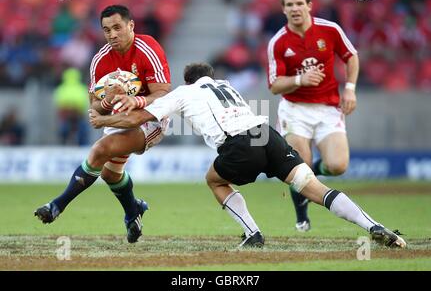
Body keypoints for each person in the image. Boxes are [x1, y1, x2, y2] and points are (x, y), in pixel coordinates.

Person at [88, 62, 406, 249]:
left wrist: (104, 120)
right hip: (266, 134)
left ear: (189, 81)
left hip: (238, 143)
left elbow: (137, 120)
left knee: (213, 179)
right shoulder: (226, 85)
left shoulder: (183, 93)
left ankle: (253, 233)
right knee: (315, 189)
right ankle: (373, 225)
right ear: (210, 75)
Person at [34, 5, 171, 243]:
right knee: (109, 174)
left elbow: (163, 94)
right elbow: (94, 106)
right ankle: (133, 212)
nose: (112, 34)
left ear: (131, 25)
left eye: (117, 27)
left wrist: (133, 99)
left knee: (100, 149)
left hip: (151, 117)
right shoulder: (100, 60)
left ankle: (57, 205)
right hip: (119, 117)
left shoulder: (147, 48)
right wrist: (106, 100)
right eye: (107, 30)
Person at [267, 0, 360, 232]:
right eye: (289, 5)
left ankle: (311, 175)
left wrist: (349, 88)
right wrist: (300, 80)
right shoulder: (278, 42)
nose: (295, 8)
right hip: (295, 110)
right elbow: (275, 86)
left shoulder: (330, 30)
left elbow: (351, 56)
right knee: (299, 167)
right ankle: (301, 216)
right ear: (284, 9)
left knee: (338, 166)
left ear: (309, 5)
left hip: (328, 108)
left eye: (299, 3)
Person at [53, 67, 89, 145]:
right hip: (76, 117)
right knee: (83, 131)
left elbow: (59, 106)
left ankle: (63, 146)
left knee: (64, 131)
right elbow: (86, 106)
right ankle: (83, 148)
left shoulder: (61, 89)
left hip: (71, 117)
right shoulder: (82, 89)